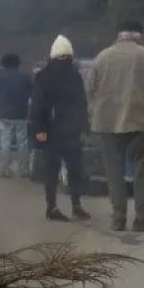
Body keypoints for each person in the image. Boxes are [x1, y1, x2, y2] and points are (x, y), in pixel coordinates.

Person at [87, 21, 144, 233]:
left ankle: (118, 218)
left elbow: (91, 88)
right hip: (139, 121)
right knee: (143, 170)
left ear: (118, 35)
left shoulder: (101, 57)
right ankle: (142, 219)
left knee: (114, 171)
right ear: (138, 35)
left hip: (107, 122)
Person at [30, 35, 91, 221]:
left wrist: (84, 125)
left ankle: (75, 205)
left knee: (74, 170)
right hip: (52, 128)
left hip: (69, 129)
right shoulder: (45, 76)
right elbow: (39, 105)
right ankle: (52, 206)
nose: (64, 60)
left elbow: (81, 103)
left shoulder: (74, 76)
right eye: (62, 56)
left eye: (67, 56)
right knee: (52, 170)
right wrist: (40, 128)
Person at [0, 53, 32, 178]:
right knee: (22, 142)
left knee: (5, 141)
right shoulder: (25, 78)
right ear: (18, 64)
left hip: (4, 114)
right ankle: (23, 169)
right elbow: (32, 93)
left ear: (4, 65)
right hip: (21, 113)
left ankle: (5, 169)